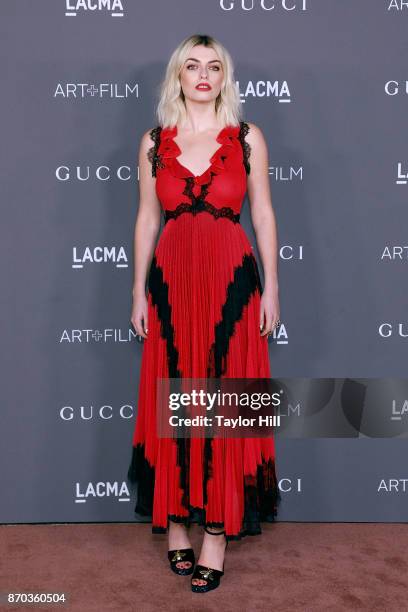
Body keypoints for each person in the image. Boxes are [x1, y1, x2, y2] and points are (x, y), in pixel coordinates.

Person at [128, 33, 281, 594]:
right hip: (171, 282)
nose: (202, 75)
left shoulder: (246, 138)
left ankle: (216, 532)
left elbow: (262, 212)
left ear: (224, 77)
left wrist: (273, 288)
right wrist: (136, 291)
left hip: (231, 284)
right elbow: (147, 218)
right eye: (191, 66)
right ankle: (174, 525)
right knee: (176, 392)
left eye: (213, 67)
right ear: (177, 76)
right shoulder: (152, 142)